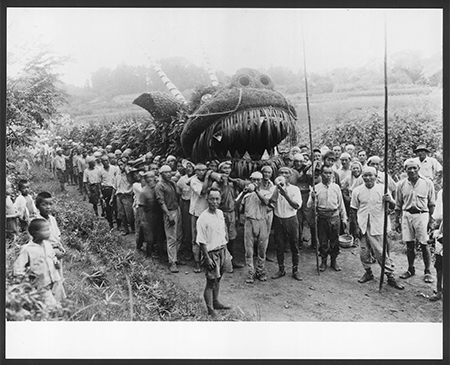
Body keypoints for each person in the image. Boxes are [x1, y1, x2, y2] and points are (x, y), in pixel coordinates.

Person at [350, 167, 404, 289]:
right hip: (363, 225)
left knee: (380, 252)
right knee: (364, 252)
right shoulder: (357, 190)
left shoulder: (383, 189)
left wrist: (389, 200)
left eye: (370, 175)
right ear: (362, 177)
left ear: (375, 176)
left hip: (378, 225)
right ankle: (368, 272)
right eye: (365, 176)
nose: (368, 178)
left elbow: (392, 206)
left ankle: (390, 276)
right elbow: (353, 209)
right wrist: (355, 226)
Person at [395, 158, 436, 283]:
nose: (412, 170)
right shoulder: (401, 184)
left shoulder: (427, 183)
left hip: (422, 215)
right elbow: (398, 204)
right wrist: (397, 220)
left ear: (418, 168)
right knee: (409, 244)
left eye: (414, 168)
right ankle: (410, 269)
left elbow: (432, 203)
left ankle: (427, 271)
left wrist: (431, 221)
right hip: (407, 215)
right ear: (405, 169)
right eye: (409, 168)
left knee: (424, 244)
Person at [196, 187, 232, 317]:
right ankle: (210, 310)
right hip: (211, 253)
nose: (214, 202)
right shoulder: (203, 218)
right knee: (210, 282)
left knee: (219, 278)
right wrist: (207, 258)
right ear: (207, 200)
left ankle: (215, 301)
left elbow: (223, 229)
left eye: (217, 199)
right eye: (212, 199)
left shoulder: (220, 213)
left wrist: (225, 245)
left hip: (222, 250)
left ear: (220, 200)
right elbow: (201, 240)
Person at [13, 218, 65, 307]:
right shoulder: (28, 250)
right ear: (35, 233)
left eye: (49, 229)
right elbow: (18, 269)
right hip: (42, 285)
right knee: (50, 306)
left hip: (55, 280)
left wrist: (56, 263)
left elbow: (52, 257)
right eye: (46, 230)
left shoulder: (48, 245)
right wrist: (25, 282)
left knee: (59, 303)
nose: (49, 232)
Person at [308, 165, 347, 272]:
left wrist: (344, 218)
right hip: (322, 218)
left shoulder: (336, 187)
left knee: (335, 241)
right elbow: (309, 205)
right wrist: (312, 197)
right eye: (325, 173)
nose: (328, 175)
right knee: (323, 241)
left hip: (334, 217)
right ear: (321, 174)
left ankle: (334, 261)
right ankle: (323, 262)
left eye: (330, 173)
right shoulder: (316, 188)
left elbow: (341, 204)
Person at [236, 172, 271, 283]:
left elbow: (266, 202)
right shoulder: (245, 194)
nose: (256, 182)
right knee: (249, 250)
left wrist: (256, 190)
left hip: (262, 221)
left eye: (258, 180)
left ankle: (260, 271)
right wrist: (243, 193)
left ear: (261, 181)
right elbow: (237, 206)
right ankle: (250, 273)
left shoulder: (265, 192)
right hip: (249, 221)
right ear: (250, 180)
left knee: (262, 249)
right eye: (254, 180)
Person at [270, 167, 303, 281]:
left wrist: (285, 195)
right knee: (279, 245)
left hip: (291, 219)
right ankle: (281, 269)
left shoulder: (295, 189)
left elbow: (296, 205)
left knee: (294, 245)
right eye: (281, 173)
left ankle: (295, 270)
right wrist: (277, 188)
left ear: (290, 175)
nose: (283, 175)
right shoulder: (273, 188)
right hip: (279, 219)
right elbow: (272, 201)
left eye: (286, 173)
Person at [212, 161, 246, 270]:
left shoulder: (232, 183)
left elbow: (234, 200)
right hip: (221, 213)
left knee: (231, 237)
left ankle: (230, 260)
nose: (227, 170)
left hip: (231, 213)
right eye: (224, 168)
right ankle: (219, 262)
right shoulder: (216, 184)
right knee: (220, 237)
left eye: (228, 168)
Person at [155, 165, 183, 273]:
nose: (169, 174)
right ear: (161, 174)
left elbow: (179, 193)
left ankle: (175, 257)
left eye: (170, 172)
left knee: (179, 235)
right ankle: (172, 262)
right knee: (171, 237)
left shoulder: (170, 183)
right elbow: (161, 202)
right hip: (170, 211)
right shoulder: (160, 186)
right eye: (166, 172)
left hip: (177, 209)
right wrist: (168, 214)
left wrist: (174, 183)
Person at [290, 153, 315, 249]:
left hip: (306, 195)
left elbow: (313, 179)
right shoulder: (292, 171)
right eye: (296, 161)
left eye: (300, 161)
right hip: (297, 195)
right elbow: (295, 179)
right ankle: (299, 242)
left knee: (311, 219)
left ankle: (314, 242)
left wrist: (309, 169)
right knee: (298, 220)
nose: (299, 163)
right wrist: (304, 171)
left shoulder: (308, 168)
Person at [189, 163, 211, 273]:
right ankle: (197, 263)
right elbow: (203, 191)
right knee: (196, 239)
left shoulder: (209, 179)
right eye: (199, 170)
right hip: (196, 212)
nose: (202, 172)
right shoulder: (194, 181)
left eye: (204, 170)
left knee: (207, 238)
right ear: (195, 171)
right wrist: (207, 177)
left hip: (207, 212)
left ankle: (206, 261)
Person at [138, 171, 165, 258]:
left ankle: (160, 254)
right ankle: (148, 255)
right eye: (148, 178)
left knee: (159, 236)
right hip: (148, 216)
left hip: (158, 216)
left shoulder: (158, 188)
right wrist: (142, 220)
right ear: (145, 180)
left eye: (152, 177)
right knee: (149, 239)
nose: (150, 179)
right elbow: (141, 208)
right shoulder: (144, 192)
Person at [176, 160, 195, 261]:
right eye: (187, 167)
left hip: (195, 204)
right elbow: (179, 192)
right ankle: (188, 250)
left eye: (190, 166)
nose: (188, 168)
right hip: (185, 203)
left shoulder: (196, 179)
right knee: (187, 228)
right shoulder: (182, 180)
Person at [429, 188, 443, 301]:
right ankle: (439, 290)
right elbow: (438, 216)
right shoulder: (443, 192)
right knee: (440, 264)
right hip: (445, 229)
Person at [115, 159, 135, 235]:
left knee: (129, 214)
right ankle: (126, 230)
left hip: (127, 196)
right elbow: (116, 186)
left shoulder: (129, 174)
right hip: (119, 195)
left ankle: (133, 228)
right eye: (119, 165)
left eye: (122, 164)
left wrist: (127, 172)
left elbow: (131, 182)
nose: (120, 166)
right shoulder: (118, 174)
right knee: (122, 214)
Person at [99, 155, 119, 229]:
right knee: (107, 208)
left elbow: (117, 179)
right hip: (105, 189)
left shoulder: (114, 168)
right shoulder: (100, 171)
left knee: (116, 207)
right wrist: (100, 193)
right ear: (101, 162)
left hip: (114, 189)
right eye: (104, 161)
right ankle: (110, 224)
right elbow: (99, 183)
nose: (106, 162)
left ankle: (118, 224)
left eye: (107, 160)